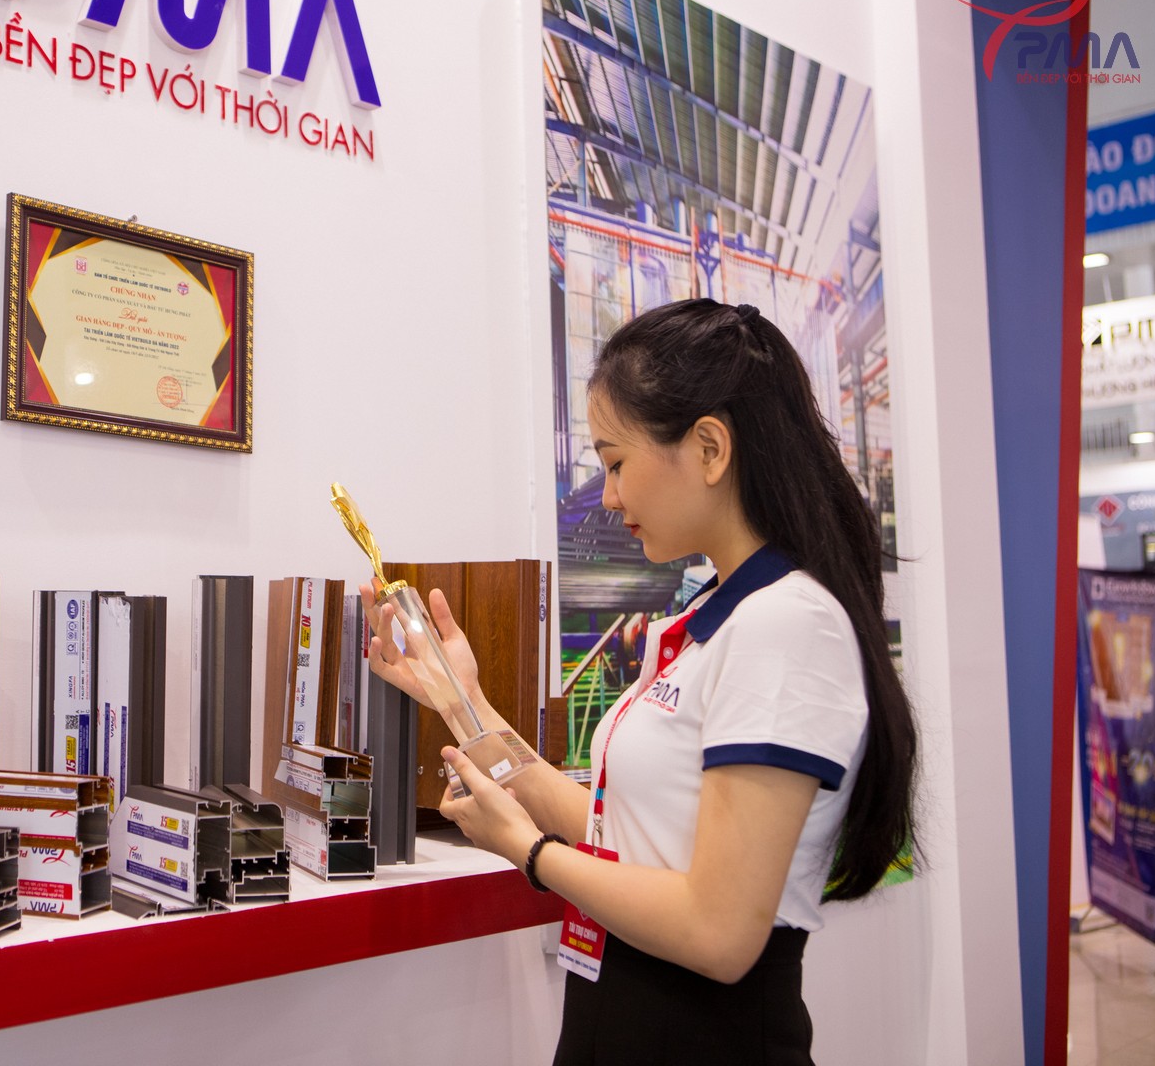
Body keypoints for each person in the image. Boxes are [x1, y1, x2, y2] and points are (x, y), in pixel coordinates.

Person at [361, 298, 918, 1065]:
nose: (609, 496)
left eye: (617, 464)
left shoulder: (786, 626)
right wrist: (462, 700)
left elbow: (719, 933)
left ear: (710, 449)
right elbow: (619, 830)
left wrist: (529, 852)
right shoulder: (714, 619)